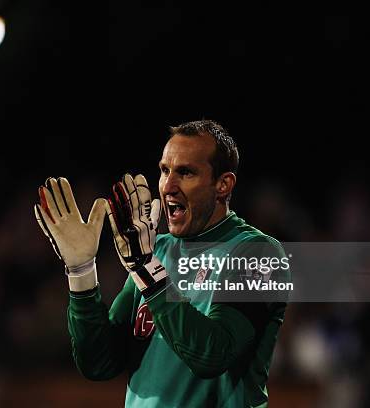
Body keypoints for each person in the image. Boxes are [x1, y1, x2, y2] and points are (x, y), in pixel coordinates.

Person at [35, 119, 290, 407]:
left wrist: (147, 269)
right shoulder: (157, 250)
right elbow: (99, 364)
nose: (168, 185)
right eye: (165, 170)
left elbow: (212, 355)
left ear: (223, 184)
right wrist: (81, 273)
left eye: (186, 173)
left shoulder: (258, 253)